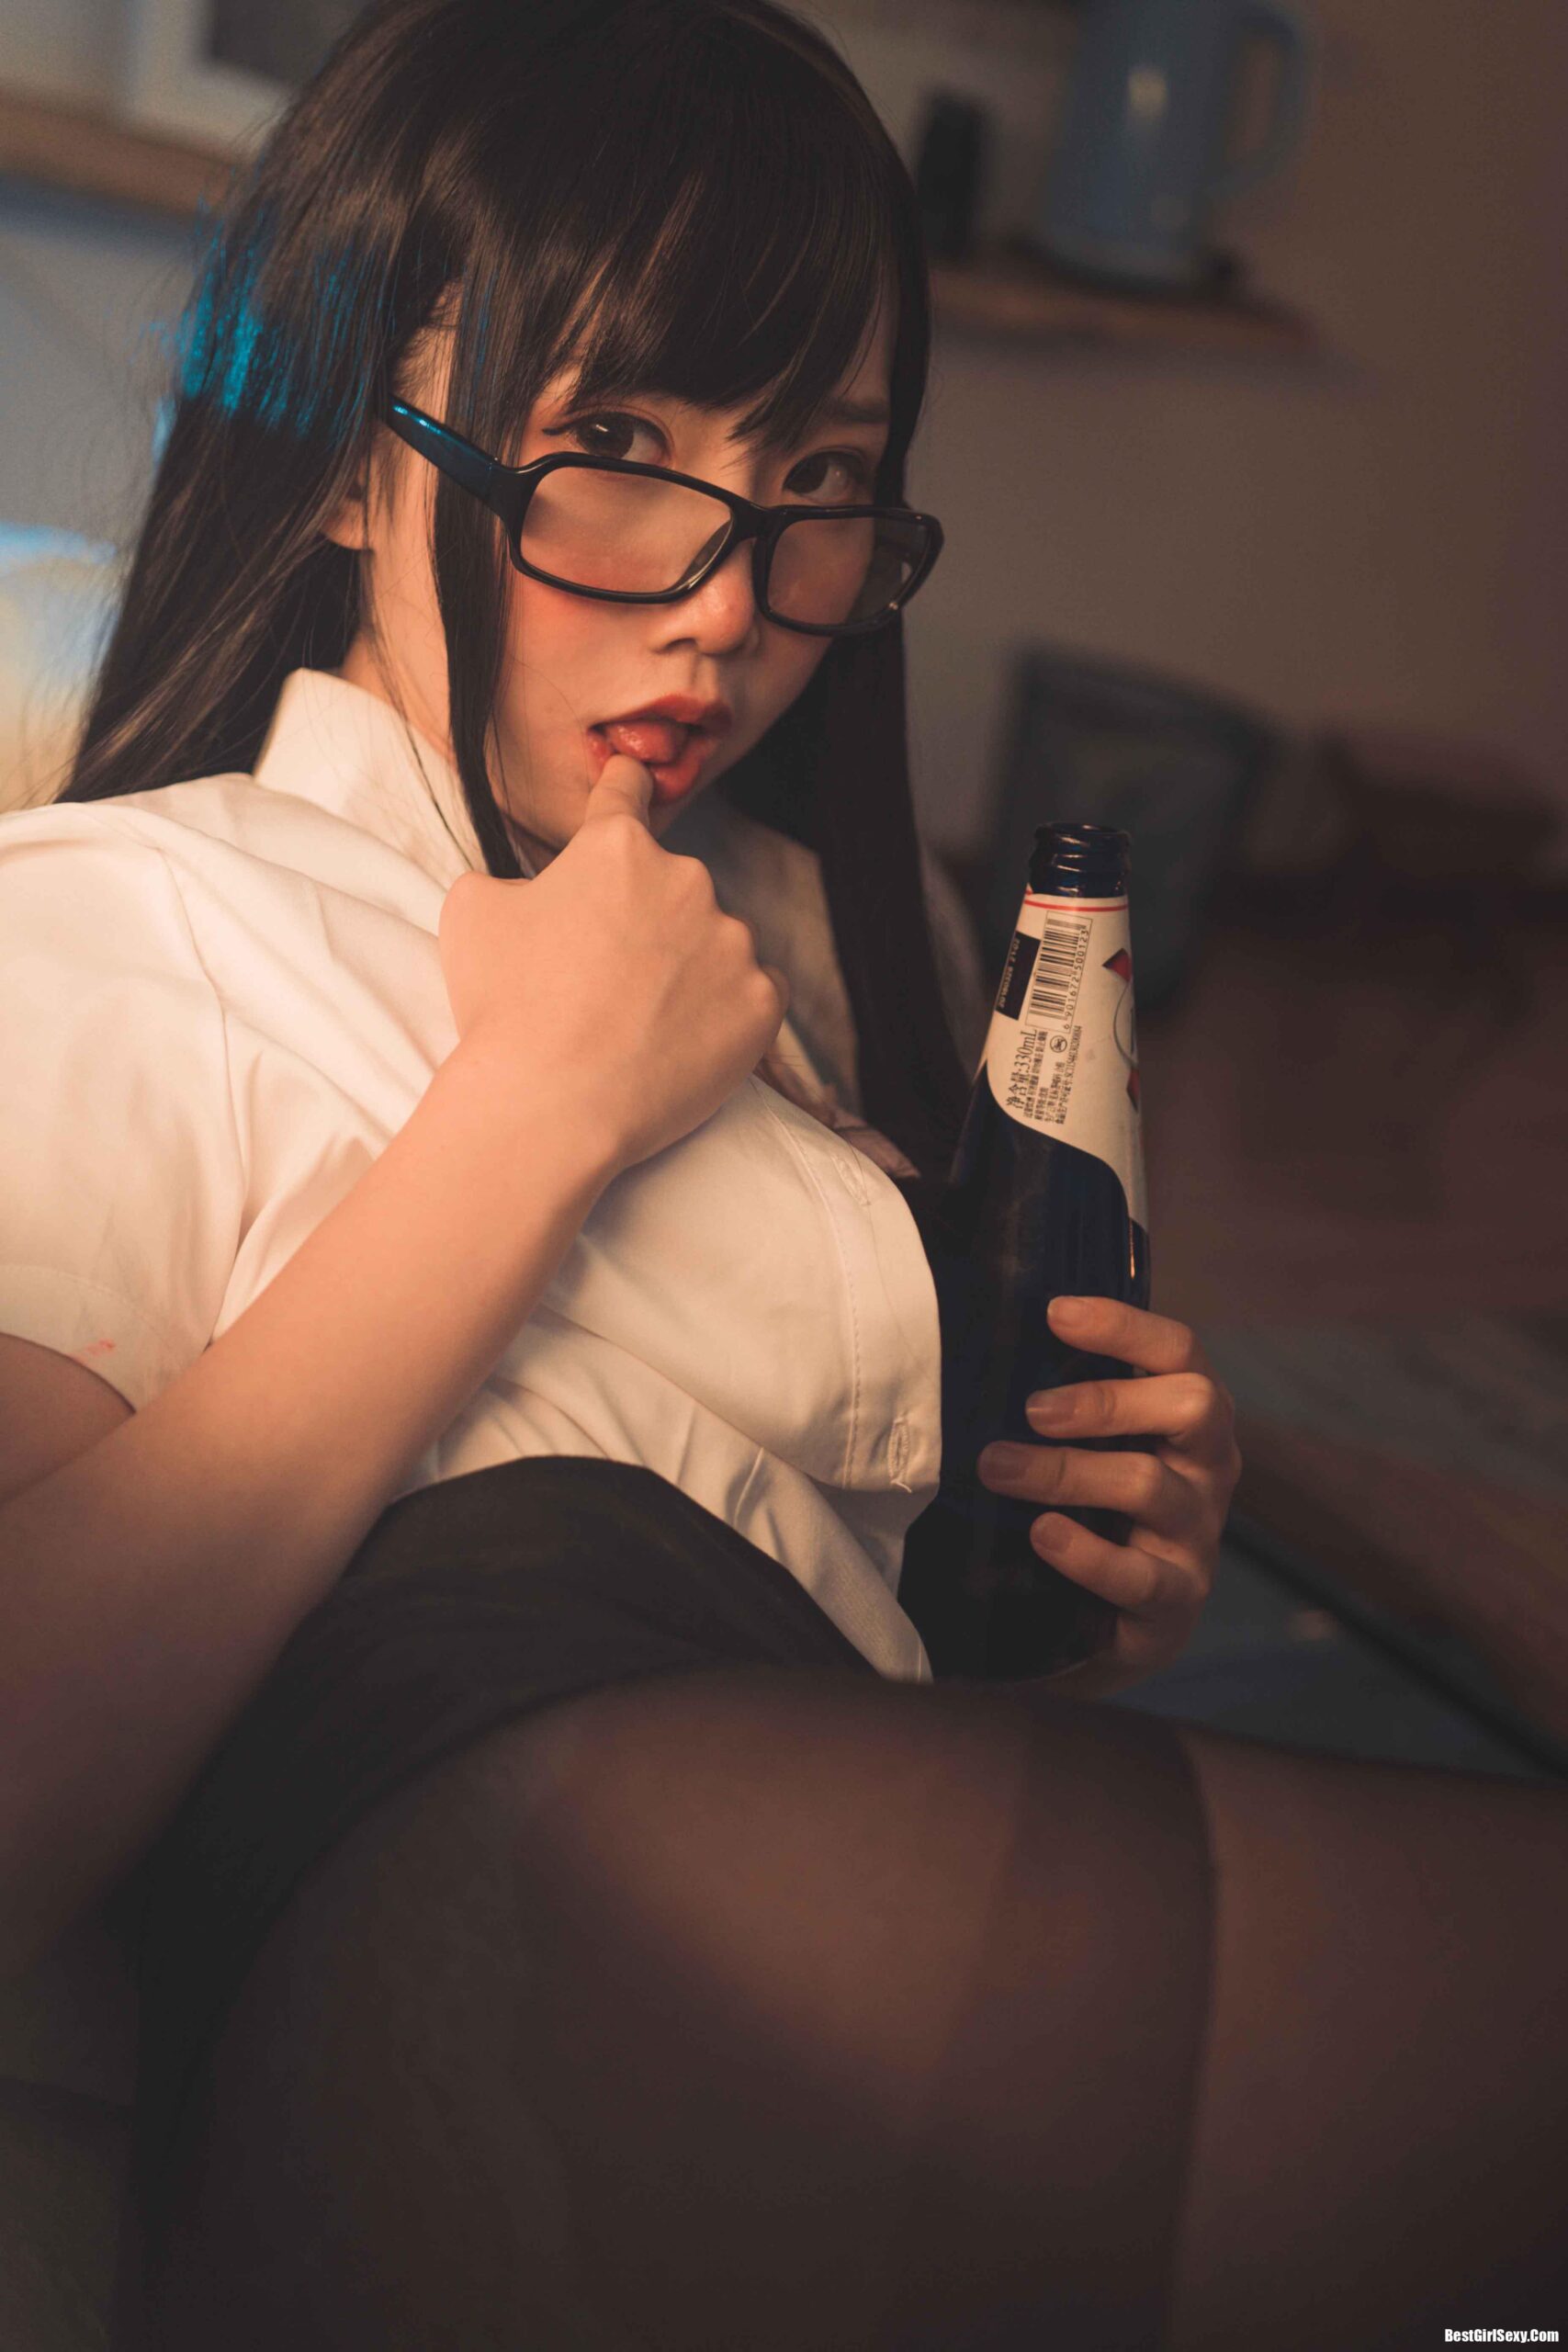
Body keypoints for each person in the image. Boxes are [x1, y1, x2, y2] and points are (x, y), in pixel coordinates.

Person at [0, 0, 1562, 2344]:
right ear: (342, 455)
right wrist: (529, 1115)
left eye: (819, 476)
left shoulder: (841, 950)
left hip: (780, 1932)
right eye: (615, 448)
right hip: (506, 1942)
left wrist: (1071, 1585)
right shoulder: (125, 915)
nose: (729, 597)